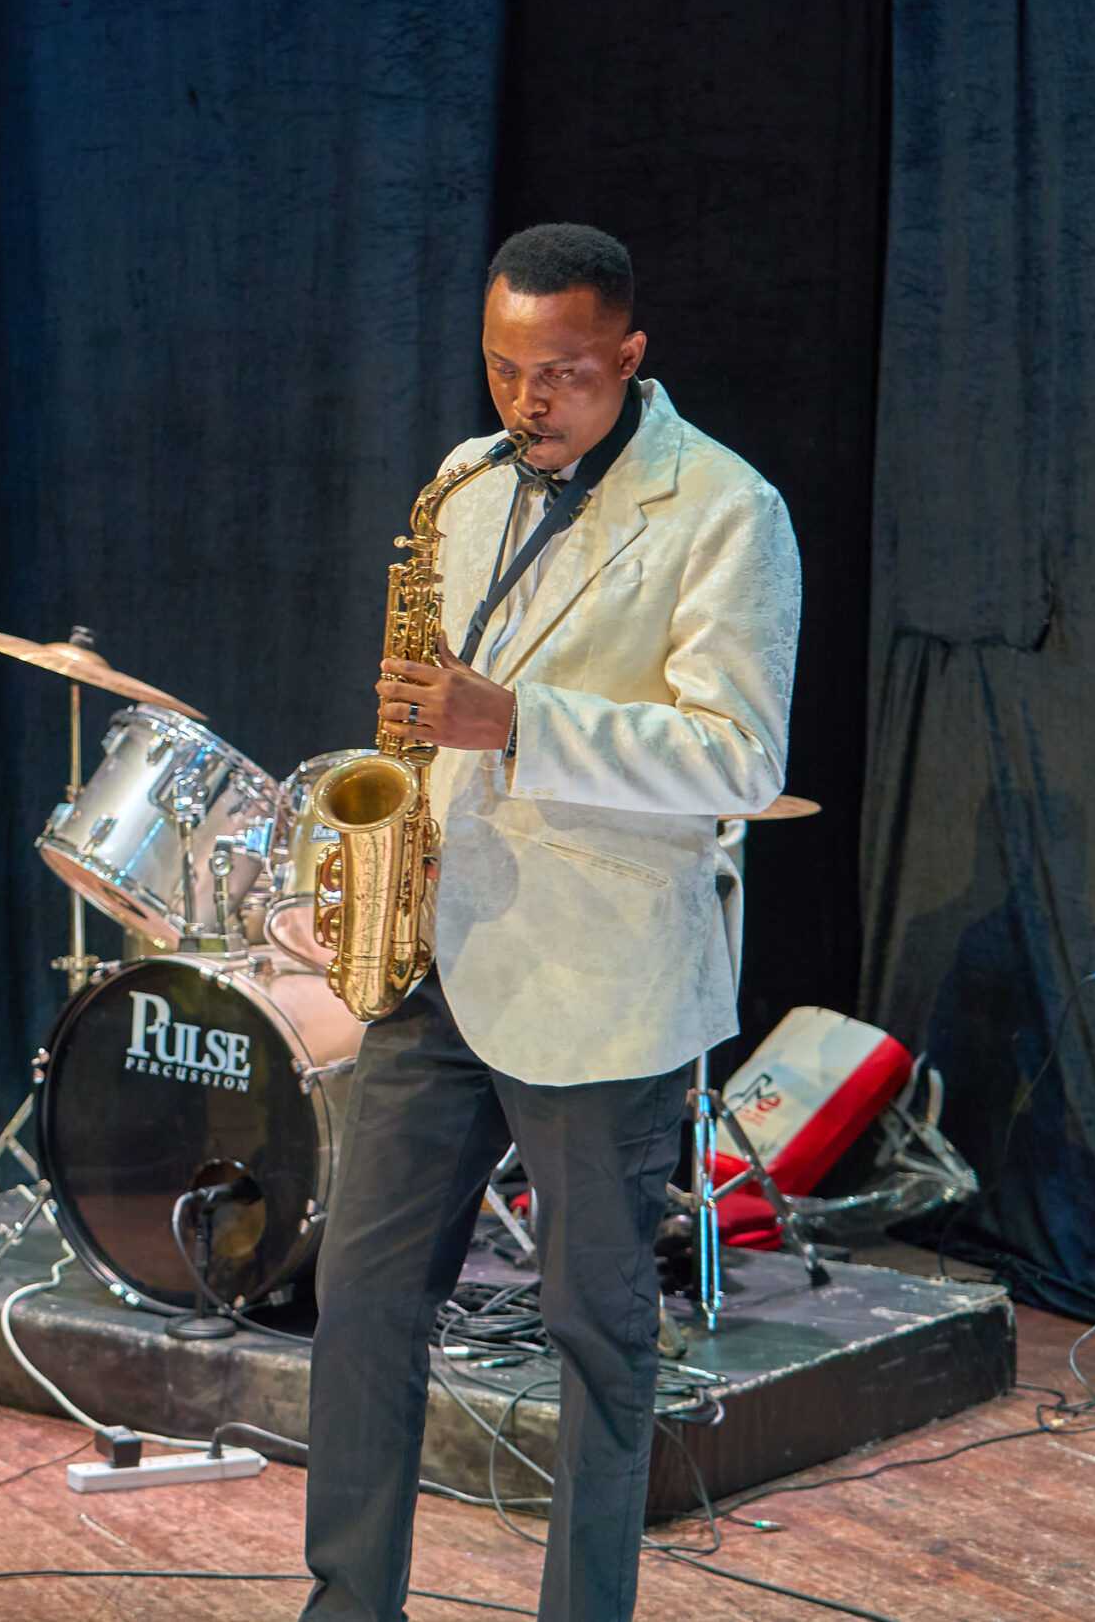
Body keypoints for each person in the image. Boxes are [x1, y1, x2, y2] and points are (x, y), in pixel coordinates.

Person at [300, 224, 800, 1622]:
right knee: (362, 1301)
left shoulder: (726, 508)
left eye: (564, 373)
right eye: (504, 367)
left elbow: (742, 757)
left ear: (629, 356)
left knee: (595, 1339)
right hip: (442, 958)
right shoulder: (466, 483)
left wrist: (518, 721)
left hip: (603, 981)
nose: (528, 401)